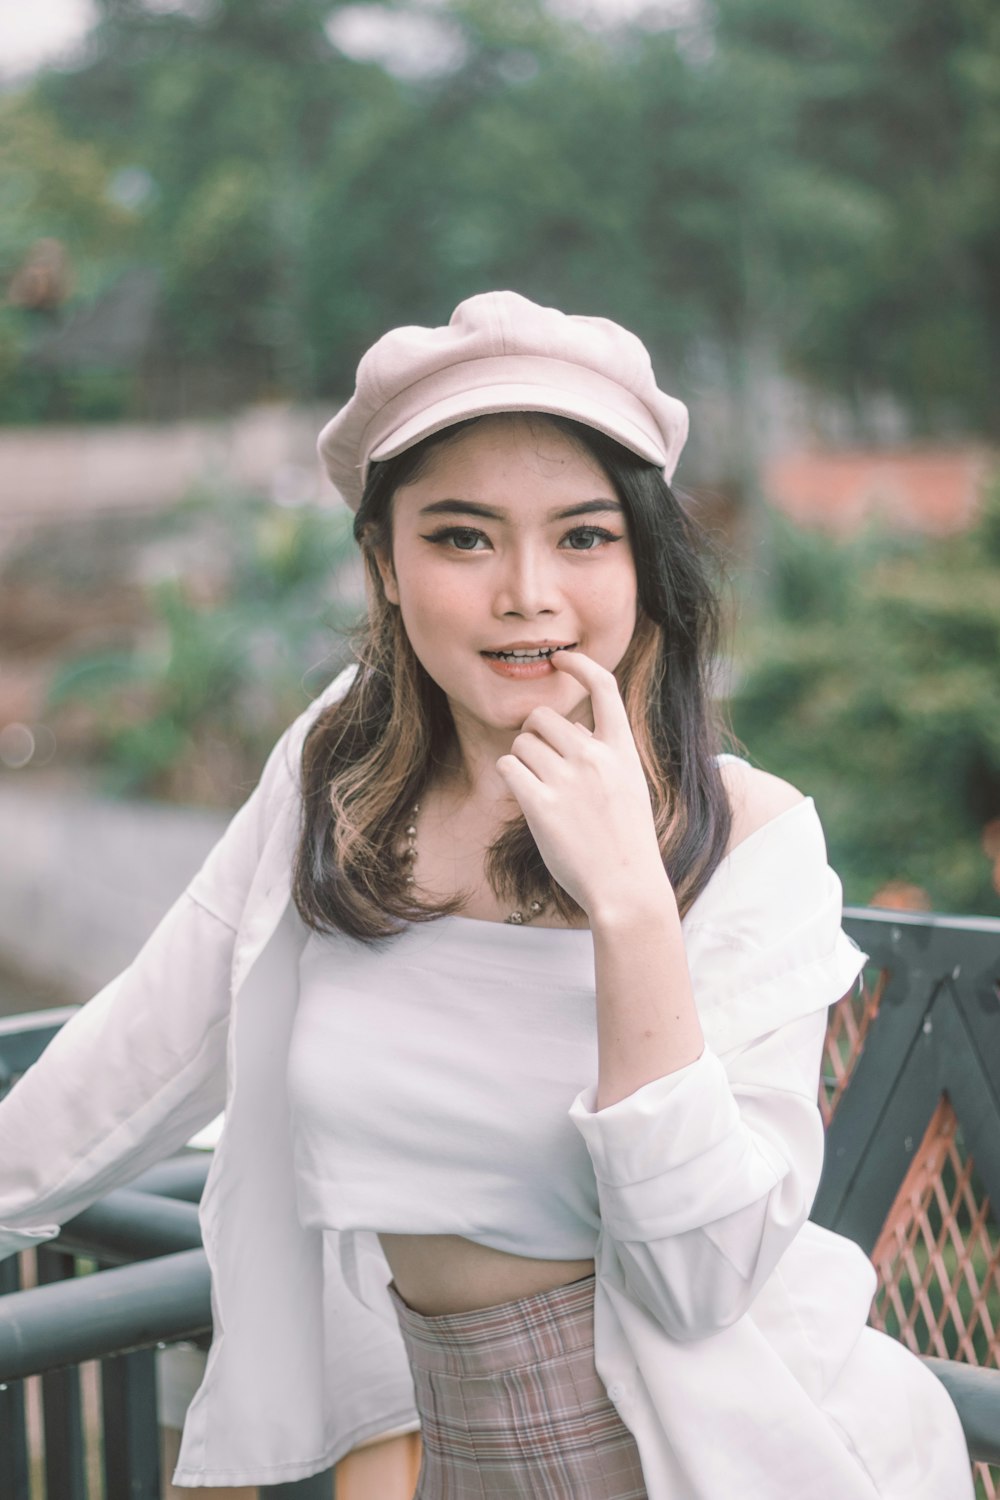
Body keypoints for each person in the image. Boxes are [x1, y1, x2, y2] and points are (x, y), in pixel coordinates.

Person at [0, 291, 973, 1499]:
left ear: (644, 558)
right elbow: (153, 1038)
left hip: (731, 1460)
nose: (527, 592)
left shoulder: (751, 838)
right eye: (462, 537)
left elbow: (701, 1280)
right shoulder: (338, 777)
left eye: (583, 535)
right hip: (465, 1460)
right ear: (384, 564)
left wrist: (628, 907)